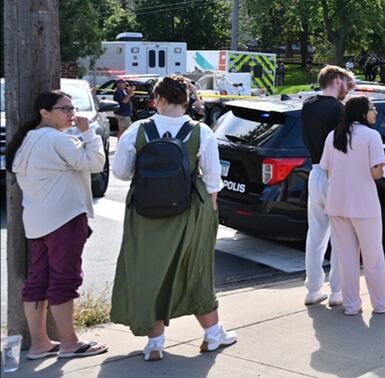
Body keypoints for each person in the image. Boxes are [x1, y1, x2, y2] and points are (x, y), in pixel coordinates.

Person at [110, 75, 235, 361]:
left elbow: (121, 172)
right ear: (186, 101)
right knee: (194, 269)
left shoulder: (138, 130)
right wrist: (211, 206)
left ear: (158, 100)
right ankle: (213, 333)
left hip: (144, 212)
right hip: (189, 209)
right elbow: (213, 178)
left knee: (148, 271)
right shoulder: (201, 132)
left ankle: (155, 342)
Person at [7, 90, 108, 360]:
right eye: (65, 109)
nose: (72, 114)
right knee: (65, 279)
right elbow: (96, 163)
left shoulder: (27, 140)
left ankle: (40, 343)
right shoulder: (56, 139)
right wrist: (89, 134)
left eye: (72, 108)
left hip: (37, 220)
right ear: (45, 112)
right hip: (64, 218)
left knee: (37, 280)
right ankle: (69, 342)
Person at [319, 96, 385, 316]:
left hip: (337, 203)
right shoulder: (372, 136)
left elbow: (326, 168)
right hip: (364, 204)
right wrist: (381, 168)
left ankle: (351, 304)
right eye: (373, 109)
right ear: (363, 113)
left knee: (347, 257)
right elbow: (376, 172)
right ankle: (380, 302)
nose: (375, 112)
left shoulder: (333, 136)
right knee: (373, 257)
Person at [301, 65, 354, 307]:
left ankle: (313, 289)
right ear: (336, 80)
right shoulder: (339, 110)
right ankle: (337, 291)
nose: (348, 89)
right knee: (341, 234)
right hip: (338, 174)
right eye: (347, 83)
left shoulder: (308, 105)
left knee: (316, 233)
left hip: (315, 172)